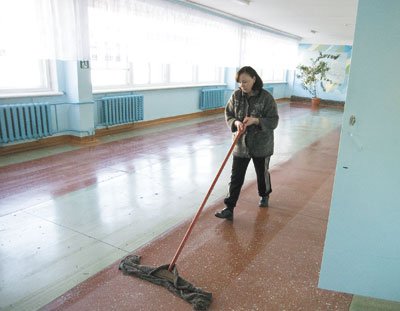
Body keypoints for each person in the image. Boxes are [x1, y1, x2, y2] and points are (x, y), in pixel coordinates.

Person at [215, 66, 279, 221]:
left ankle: (264, 195)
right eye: (239, 82)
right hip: (241, 144)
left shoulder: (266, 97)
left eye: (245, 81)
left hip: (261, 145)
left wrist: (256, 120)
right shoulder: (236, 96)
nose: (242, 85)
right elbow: (228, 113)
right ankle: (229, 207)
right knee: (236, 177)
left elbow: (273, 120)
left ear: (254, 79)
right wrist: (236, 123)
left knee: (261, 174)